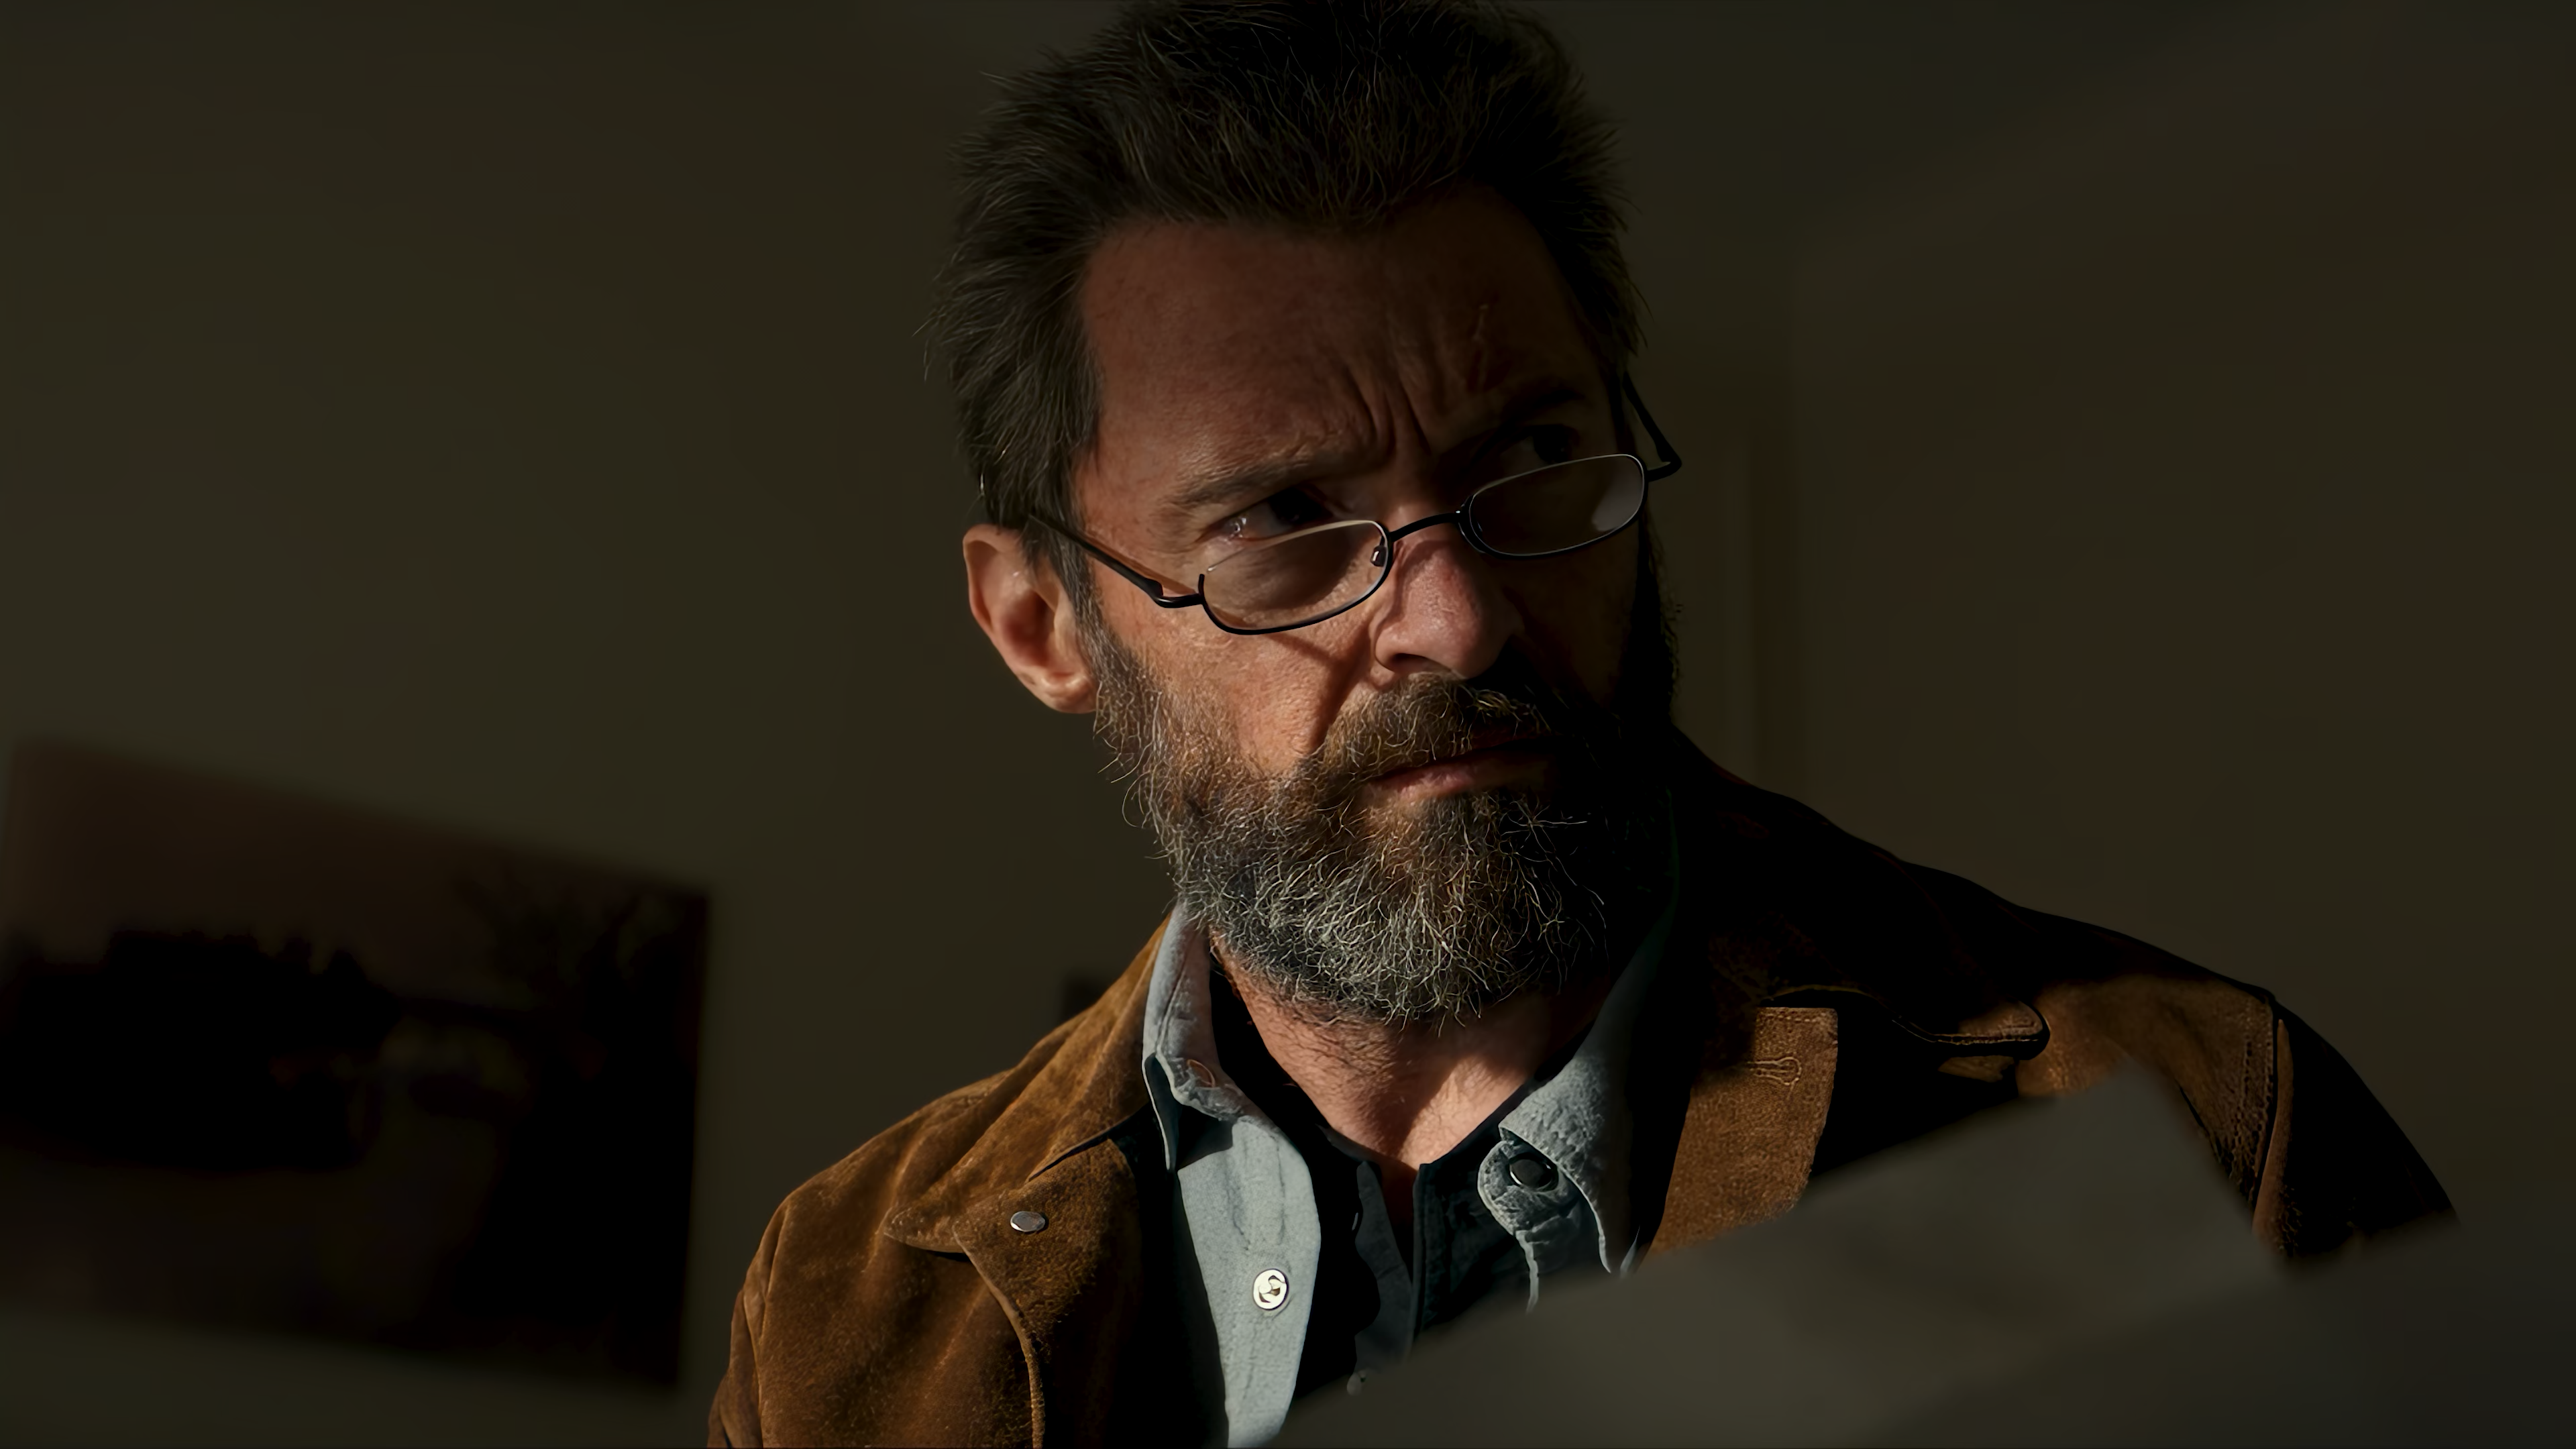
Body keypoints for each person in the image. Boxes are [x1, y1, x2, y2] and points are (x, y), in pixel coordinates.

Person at [708, 3, 2448, 1444]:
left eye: (1536, 457)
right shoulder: (845, 1306)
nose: (1459, 616)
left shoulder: (2191, 1135)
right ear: (1041, 624)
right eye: (1287, 520)